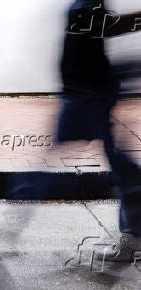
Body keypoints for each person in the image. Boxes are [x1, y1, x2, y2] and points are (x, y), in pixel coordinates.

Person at [59, 0, 141, 261]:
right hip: (90, 91)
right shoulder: (85, 5)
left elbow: (104, 29)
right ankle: (133, 232)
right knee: (116, 157)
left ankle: (133, 234)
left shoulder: (85, 6)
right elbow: (103, 29)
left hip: (91, 93)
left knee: (120, 162)